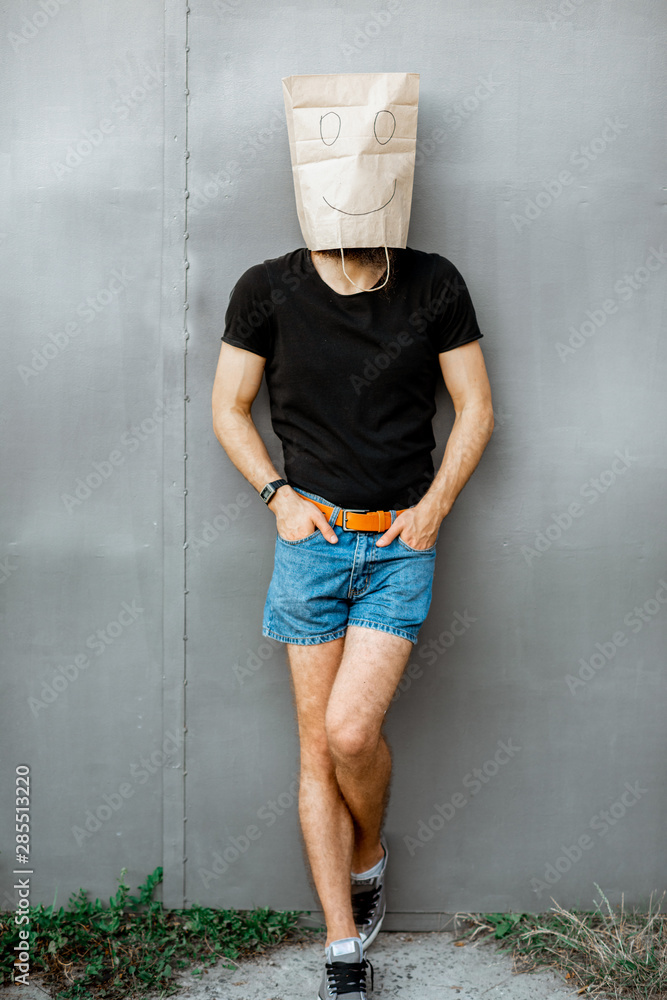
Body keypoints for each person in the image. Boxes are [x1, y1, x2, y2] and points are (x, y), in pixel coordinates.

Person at [212, 74, 494, 1000]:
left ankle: (369, 849)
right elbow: (228, 408)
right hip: (311, 543)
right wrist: (276, 496)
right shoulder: (266, 288)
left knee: (349, 733)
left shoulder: (434, 280)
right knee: (311, 753)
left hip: (397, 546)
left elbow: (476, 408)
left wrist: (435, 506)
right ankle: (342, 950)